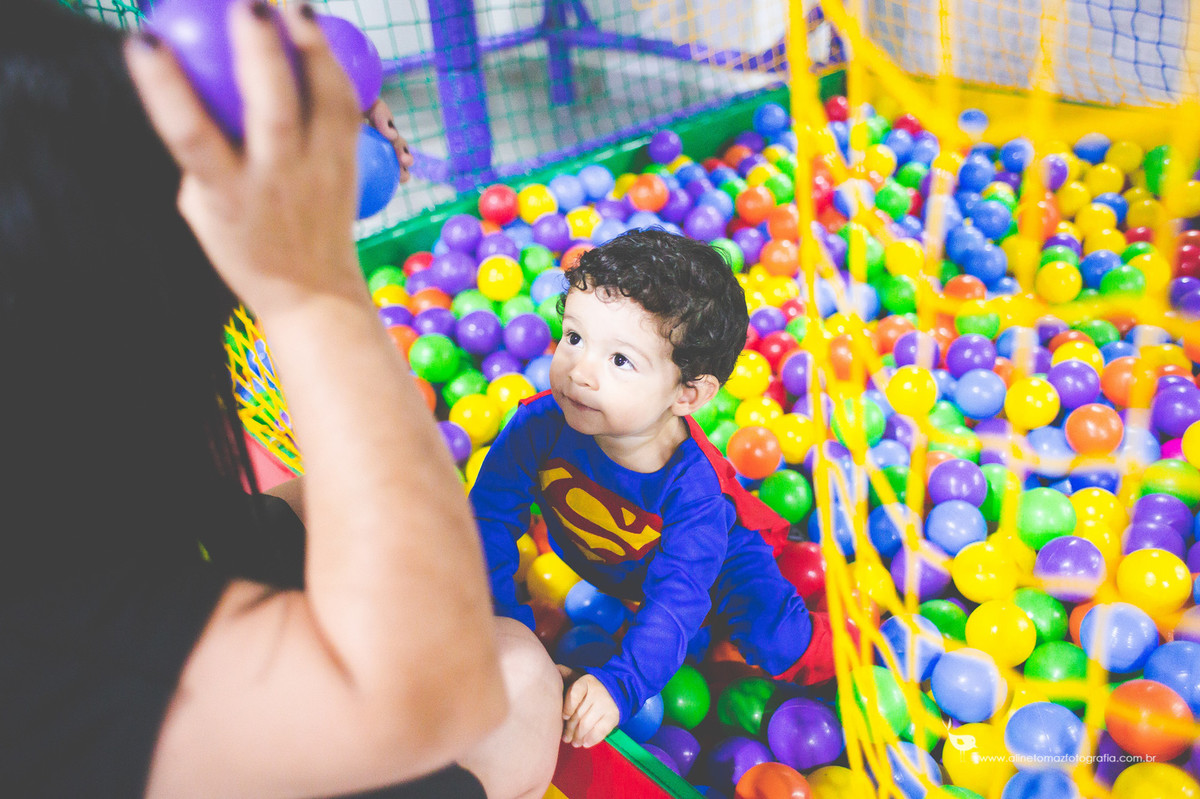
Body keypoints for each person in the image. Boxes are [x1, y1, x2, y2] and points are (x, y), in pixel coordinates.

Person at [0, 2, 560, 798]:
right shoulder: (40, 643)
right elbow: (435, 689)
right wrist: (313, 289)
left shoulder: (51, 461)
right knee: (513, 682)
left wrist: (305, 182)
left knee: (331, 521)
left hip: (142, 571)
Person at [469, 228, 840, 749]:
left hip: (720, 561)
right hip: (620, 560)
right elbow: (487, 516)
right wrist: (500, 622)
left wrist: (621, 685)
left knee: (773, 635)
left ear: (688, 393)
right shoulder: (538, 425)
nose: (580, 371)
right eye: (574, 337)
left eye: (620, 361)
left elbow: (677, 602)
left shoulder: (694, 493)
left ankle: (848, 655)